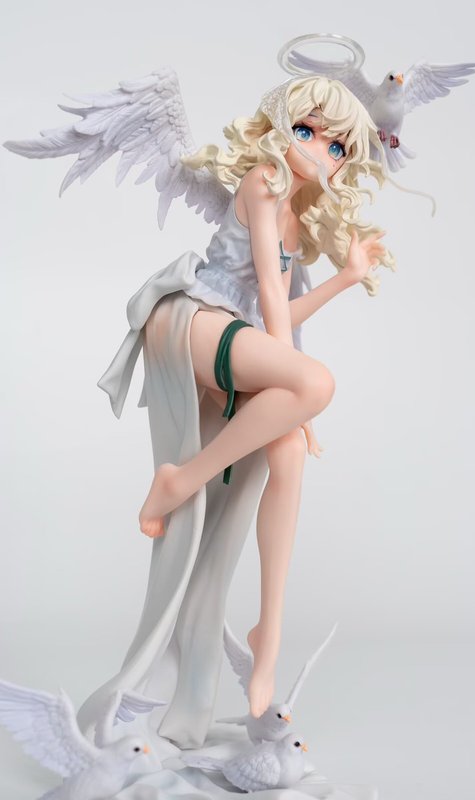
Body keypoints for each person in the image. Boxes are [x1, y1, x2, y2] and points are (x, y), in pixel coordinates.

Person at [4, 70, 394, 750]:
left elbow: (282, 312)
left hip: (235, 337)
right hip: (191, 320)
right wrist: (303, 390)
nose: (318, 150)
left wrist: (345, 278)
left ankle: (268, 631)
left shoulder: (296, 215)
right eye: (306, 131)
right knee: (314, 386)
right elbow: (268, 299)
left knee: (288, 450)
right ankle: (179, 481)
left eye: (336, 147)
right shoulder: (263, 182)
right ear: (278, 126)